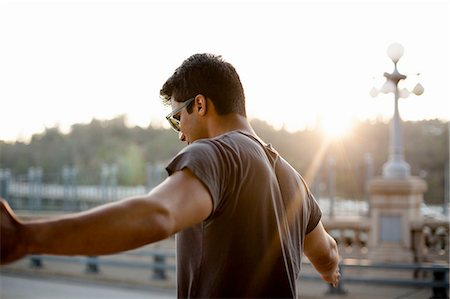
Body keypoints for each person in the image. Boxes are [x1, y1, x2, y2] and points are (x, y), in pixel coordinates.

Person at [0, 53, 340, 298]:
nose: (180, 134)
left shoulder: (216, 154)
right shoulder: (294, 179)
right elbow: (326, 252)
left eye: (177, 117)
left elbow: (159, 214)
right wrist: (328, 270)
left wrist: (27, 237)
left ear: (200, 105)